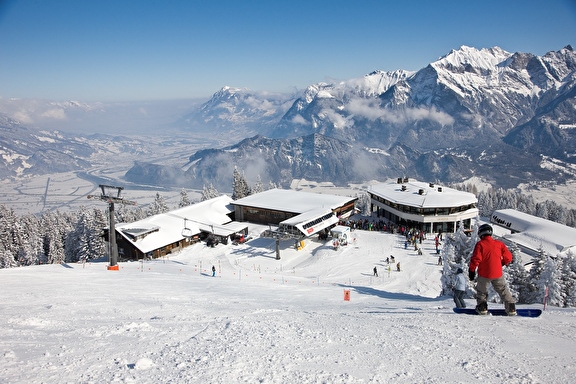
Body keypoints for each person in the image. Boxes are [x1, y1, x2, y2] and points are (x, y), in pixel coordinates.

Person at [469, 224, 516, 316]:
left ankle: (482, 308)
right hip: (497, 273)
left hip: (484, 273)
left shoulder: (480, 244)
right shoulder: (499, 244)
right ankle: (511, 308)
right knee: (502, 290)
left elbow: (476, 259)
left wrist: (471, 271)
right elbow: (509, 257)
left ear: (481, 233)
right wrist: (501, 263)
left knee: (481, 291)